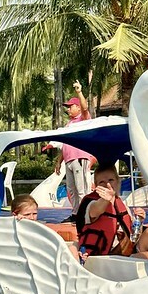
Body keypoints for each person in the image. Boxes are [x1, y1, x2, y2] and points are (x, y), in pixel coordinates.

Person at [76, 163, 148, 263]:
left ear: (118, 182)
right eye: (102, 182)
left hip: (124, 252)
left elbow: (133, 238)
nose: (107, 185)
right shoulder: (91, 203)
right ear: (96, 186)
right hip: (102, 258)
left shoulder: (122, 205)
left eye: (111, 180)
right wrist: (105, 200)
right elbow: (95, 210)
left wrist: (139, 222)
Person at [54, 80, 92, 222]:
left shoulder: (83, 119)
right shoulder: (69, 124)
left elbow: (85, 108)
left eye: (70, 106)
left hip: (79, 158)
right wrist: (59, 162)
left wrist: (79, 92)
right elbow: (65, 145)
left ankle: (85, 214)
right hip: (69, 160)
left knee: (82, 189)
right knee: (72, 190)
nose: (68, 109)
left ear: (77, 107)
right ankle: (76, 214)